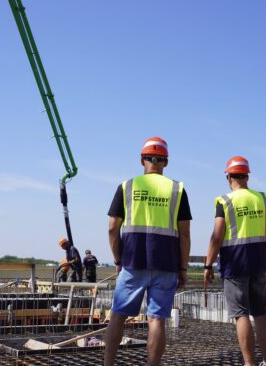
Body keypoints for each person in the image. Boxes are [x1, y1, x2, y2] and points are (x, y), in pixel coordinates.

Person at [104, 136, 192, 366]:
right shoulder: (177, 189)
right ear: (166, 162)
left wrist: (118, 259)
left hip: (133, 262)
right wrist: (183, 268)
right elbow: (184, 235)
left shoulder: (127, 186)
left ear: (142, 159)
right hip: (166, 264)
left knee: (118, 316)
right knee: (157, 321)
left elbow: (113, 229)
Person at [204, 156, 266, 366]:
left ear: (229, 177)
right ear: (247, 176)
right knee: (260, 314)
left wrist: (208, 265)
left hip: (234, 264)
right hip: (257, 263)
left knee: (241, 315)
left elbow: (217, 236)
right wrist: (262, 256)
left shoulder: (224, 201)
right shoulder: (263, 198)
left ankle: (249, 363)